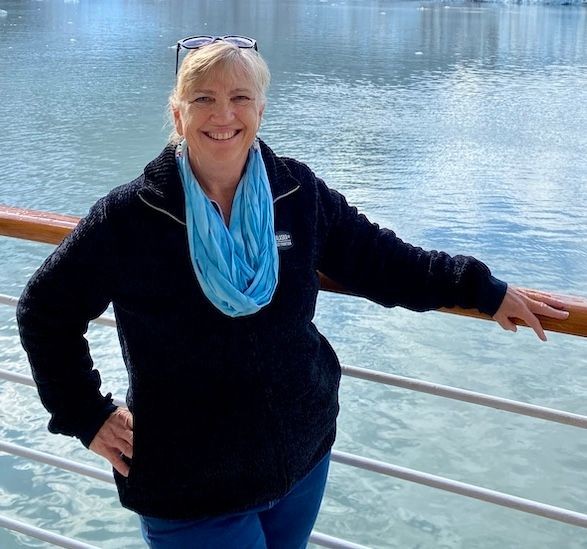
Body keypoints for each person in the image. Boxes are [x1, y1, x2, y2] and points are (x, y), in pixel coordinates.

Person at [16, 35, 568, 549]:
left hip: (300, 460)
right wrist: (84, 413)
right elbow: (45, 310)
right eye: (204, 98)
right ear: (178, 113)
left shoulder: (297, 193)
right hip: (190, 486)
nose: (223, 115)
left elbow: (381, 260)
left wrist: (482, 289)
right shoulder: (135, 216)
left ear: (260, 109)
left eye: (240, 97)